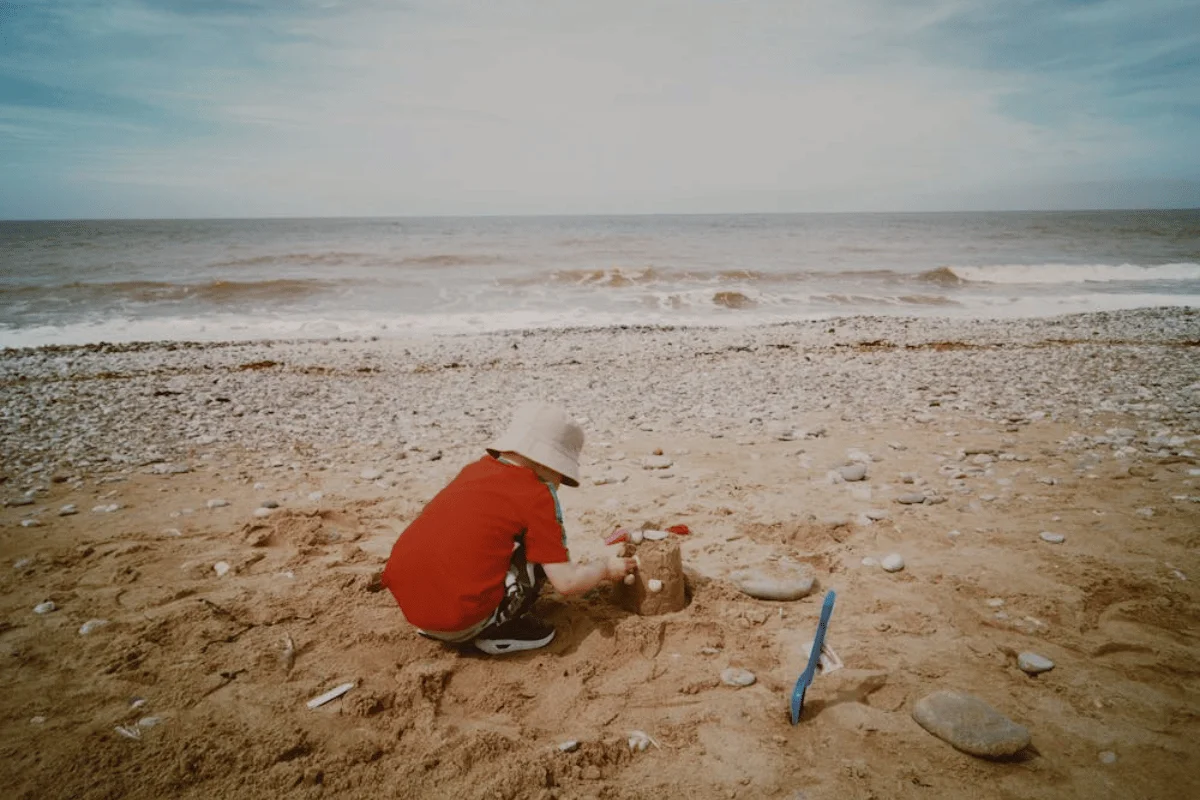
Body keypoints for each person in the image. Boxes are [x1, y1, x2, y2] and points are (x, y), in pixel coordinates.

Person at [381, 401, 637, 654]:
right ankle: (500, 630)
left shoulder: (473, 471)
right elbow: (567, 583)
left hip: (414, 609)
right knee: (538, 555)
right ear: (547, 464)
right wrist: (604, 569)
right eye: (561, 473)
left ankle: (440, 621)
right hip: (460, 621)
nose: (559, 482)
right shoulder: (537, 494)